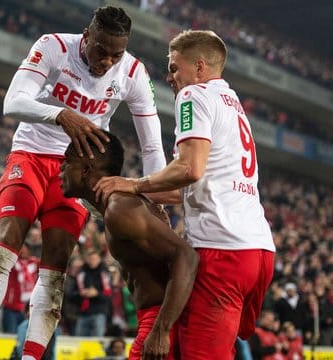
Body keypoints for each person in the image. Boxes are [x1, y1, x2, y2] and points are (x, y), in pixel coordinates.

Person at [0, 6, 166, 359]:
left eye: (115, 54)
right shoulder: (54, 46)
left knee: (56, 266)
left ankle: (31, 356)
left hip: (77, 172)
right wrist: (60, 114)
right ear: (86, 36)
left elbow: (152, 146)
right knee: (5, 244)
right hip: (30, 153)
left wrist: (156, 199)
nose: (107, 61)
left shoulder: (134, 72)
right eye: (100, 50)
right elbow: (12, 102)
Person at [92, 30, 276, 359]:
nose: (170, 76)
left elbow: (189, 168)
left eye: (175, 68)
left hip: (223, 250)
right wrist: (139, 192)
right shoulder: (232, 104)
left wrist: (134, 185)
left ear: (200, 68)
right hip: (258, 251)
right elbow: (192, 185)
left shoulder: (194, 96)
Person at [59, 131, 198, 359]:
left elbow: (186, 256)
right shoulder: (116, 205)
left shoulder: (119, 208)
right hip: (159, 317)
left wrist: (161, 330)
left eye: (67, 162)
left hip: (160, 319)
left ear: (86, 171)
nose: (60, 169)